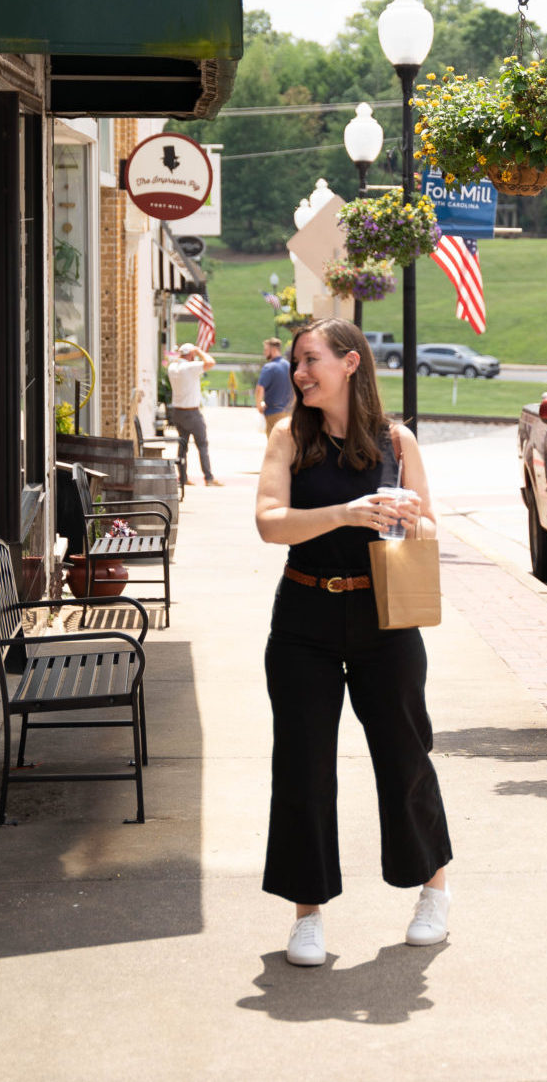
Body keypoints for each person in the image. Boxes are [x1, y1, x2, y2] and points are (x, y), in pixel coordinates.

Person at [254, 317, 452, 967]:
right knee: (302, 766)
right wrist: (345, 512)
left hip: (385, 619)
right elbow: (269, 523)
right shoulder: (288, 437)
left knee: (404, 755)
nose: (298, 372)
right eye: (296, 361)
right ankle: (306, 914)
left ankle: (432, 891)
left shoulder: (397, 441)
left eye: (309, 360)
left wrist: (409, 517)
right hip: (303, 617)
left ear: (350, 364)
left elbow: (426, 526)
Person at [166, 341, 220, 487]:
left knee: (182, 446)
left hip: (177, 412)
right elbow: (210, 362)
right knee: (202, 445)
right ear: (190, 355)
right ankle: (208, 478)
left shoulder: (172, 368)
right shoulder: (190, 367)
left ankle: (182, 478)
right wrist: (200, 351)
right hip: (192, 412)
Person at [255, 337, 293, 435]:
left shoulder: (269, 368)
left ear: (273, 350)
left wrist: (259, 406)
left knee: (274, 444)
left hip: (273, 412)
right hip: (289, 412)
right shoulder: (289, 366)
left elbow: (259, 389)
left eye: (266, 350)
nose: (264, 353)